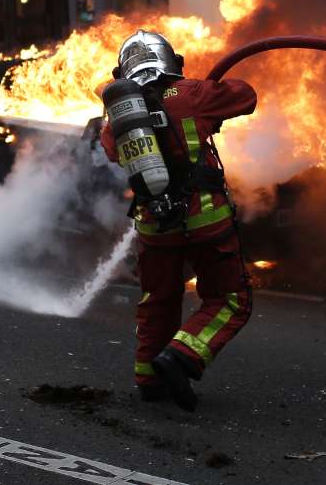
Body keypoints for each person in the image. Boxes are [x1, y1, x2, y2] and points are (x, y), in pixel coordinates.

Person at [100, 30, 257, 411]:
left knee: (158, 301)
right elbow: (247, 96)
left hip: (155, 227)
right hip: (206, 219)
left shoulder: (118, 120)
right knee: (230, 299)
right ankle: (183, 355)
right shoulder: (193, 94)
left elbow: (112, 151)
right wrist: (204, 94)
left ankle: (149, 381)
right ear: (171, 61)